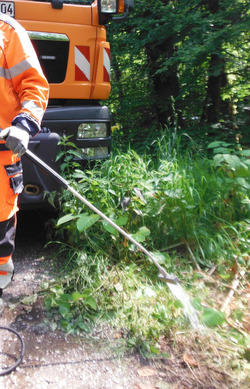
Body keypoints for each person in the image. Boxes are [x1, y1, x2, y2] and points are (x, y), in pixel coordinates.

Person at [0, 12, 49, 315]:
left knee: (0, 224)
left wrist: (24, 124)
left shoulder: (7, 32)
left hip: (2, 153)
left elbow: (34, 85)